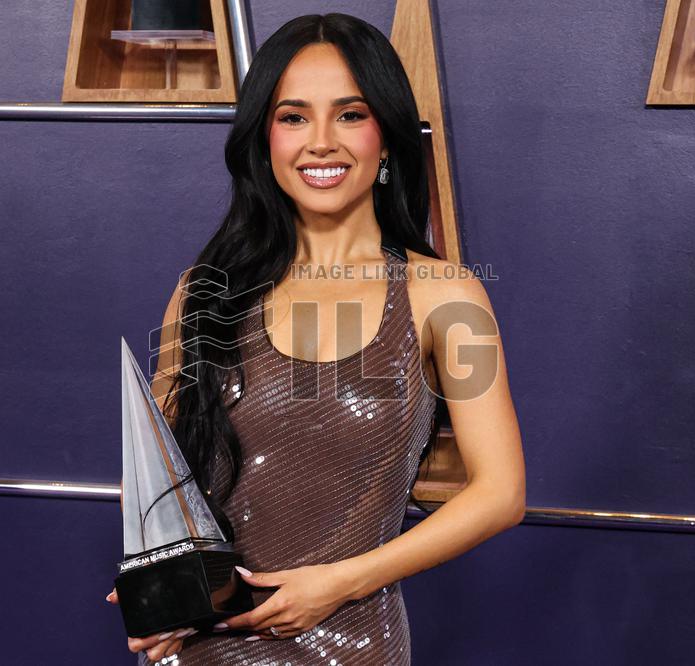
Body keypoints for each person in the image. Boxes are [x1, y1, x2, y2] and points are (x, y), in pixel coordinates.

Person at [106, 12, 525, 665]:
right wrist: (156, 577)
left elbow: (501, 493)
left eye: (351, 115)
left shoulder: (448, 296)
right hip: (202, 649)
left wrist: (341, 582)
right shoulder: (203, 290)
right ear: (263, 139)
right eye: (294, 116)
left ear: (385, 137)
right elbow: (157, 468)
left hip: (354, 646)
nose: (321, 142)